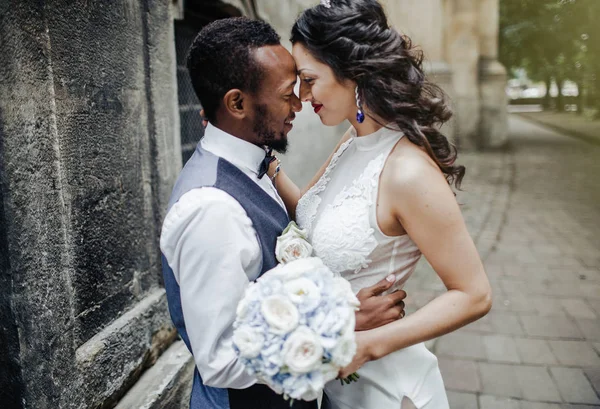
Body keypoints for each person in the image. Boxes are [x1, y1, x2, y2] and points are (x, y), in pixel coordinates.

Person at [160, 17, 407, 409]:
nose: (298, 105)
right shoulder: (212, 210)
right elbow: (222, 361)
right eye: (285, 94)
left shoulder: (253, 164)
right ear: (236, 103)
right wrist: (343, 324)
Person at [267, 1, 493, 408]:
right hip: (332, 383)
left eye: (308, 79)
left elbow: (474, 294)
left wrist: (369, 345)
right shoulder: (350, 143)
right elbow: (310, 213)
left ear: (353, 72)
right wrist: (265, 163)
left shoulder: (407, 171)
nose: (302, 95)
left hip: (386, 387)